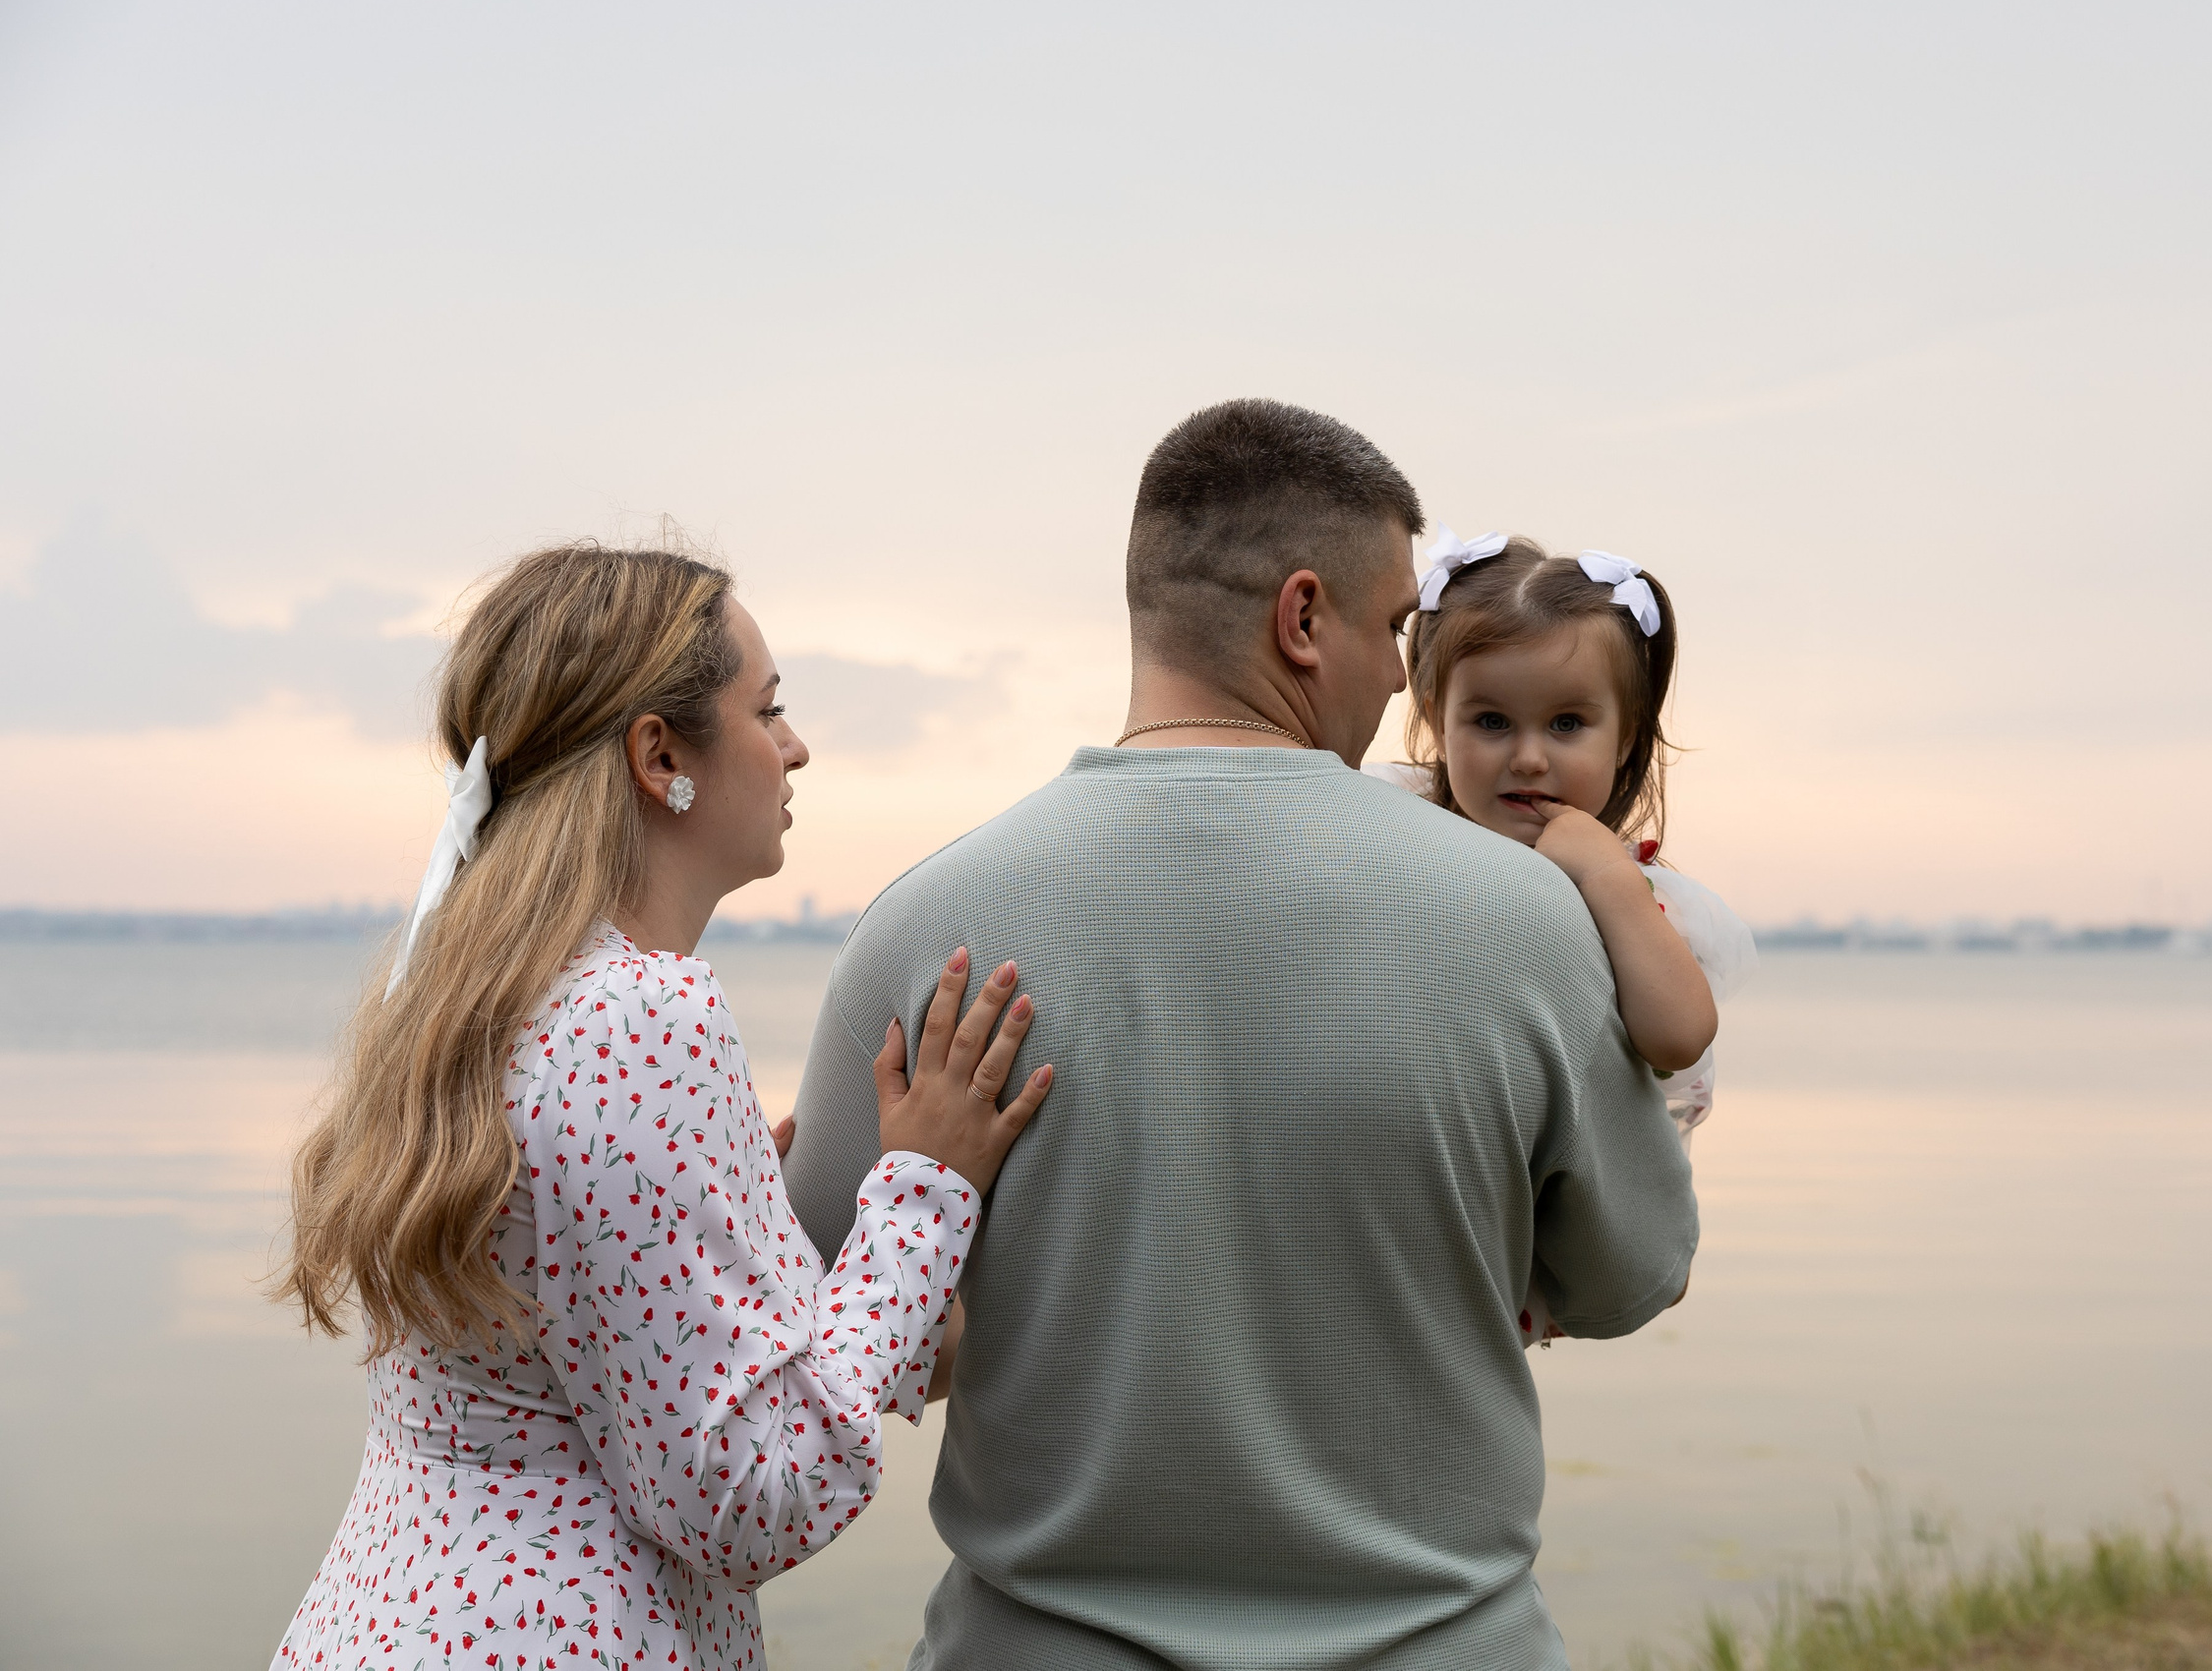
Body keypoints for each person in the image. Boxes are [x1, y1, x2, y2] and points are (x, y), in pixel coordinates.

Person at [780, 400, 1698, 1670]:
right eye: (1393, 628)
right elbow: (1632, 1273)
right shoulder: (1530, 919)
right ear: (1302, 617)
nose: (1402, 677)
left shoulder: (922, 926)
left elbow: (819, 1311)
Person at [269, 544, 1052, 1671]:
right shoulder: (638, 1015)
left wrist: (763, 1247)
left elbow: (586, 1359)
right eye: (767, 710)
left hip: (377, 1625)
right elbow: (753, 1499)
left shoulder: (465, 1000)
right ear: (660, 756)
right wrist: (923, 1196)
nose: (795, 746)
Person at [1369, 529, 1760, 1345]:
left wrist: (1608, 878)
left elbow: (1680, 1034)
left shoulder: (1632, 891)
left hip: (1584, 1196)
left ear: (1626, 738)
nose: (1528, 757)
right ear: (1436, 719)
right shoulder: (1394, 834)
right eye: (1490, 720)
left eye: (1567, 723)